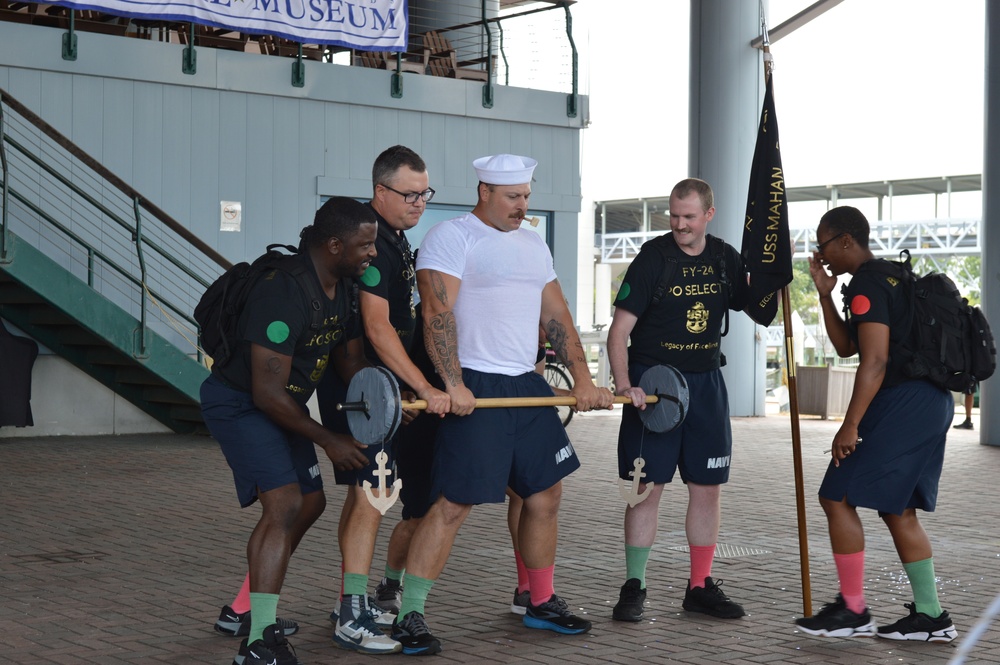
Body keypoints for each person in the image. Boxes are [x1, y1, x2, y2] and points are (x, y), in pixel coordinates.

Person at [390, 153, 615, 656]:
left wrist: (583, 378)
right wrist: (452, 381)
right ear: (485, 191)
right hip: (477, 383)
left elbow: (557, 314)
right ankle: (411, 613)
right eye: (513, 197)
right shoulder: (452, 237)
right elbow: (436, 312)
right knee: (454, 503)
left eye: (527, 196)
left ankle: (539, 599)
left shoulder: (534, 245)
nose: (522, 206)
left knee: (545, 495)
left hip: (525, 385)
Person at [201, 197, 377, 665]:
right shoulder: (283, 290)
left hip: (284, 405)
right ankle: (258, 641)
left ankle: (245, 609)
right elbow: (265, 392)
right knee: (284, 504)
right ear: (335, 244)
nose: (372, 253)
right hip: (242, 403)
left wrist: (399, 401)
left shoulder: (344, 289)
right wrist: (330, 439)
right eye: (365, 245)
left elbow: (352, 361)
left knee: (311, 503)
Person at [796, 205, 957, 642]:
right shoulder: (888, 277)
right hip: (931, 402)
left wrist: (849, 426)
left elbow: (876, 360)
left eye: (824, 243)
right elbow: (848, 346)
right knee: (897, 510)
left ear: (847, 240)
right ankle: (931, 617)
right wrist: (825, 294)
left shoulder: (869, 282)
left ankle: (853, 609)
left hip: (905, 402)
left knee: (836, 494)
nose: (820, 253)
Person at [315, 146, 448, 655]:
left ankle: (351, 600)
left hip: (383, 389)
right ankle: (350, 613)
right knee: (372, 492)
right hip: (366, 391)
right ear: (380, 192)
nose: (419, 203)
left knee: (367, 493)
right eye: (409, 194)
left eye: (424, 194)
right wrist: (424, 386)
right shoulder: (373, 244)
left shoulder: (393, 240)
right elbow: (376, 326)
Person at [608, 177, 749, 623]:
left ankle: (699, 586)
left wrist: (775, 276)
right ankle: (635, 585)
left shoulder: (725, 257)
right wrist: (625, 383)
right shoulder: (653, 258)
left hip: (706, 386)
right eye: (674, 215)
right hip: (655, 390)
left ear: (708, 214)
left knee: (707, 490)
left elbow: (756, 302)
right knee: (645, 491)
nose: (680, 224)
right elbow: (618, 334)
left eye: (689, 216)